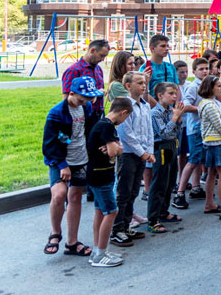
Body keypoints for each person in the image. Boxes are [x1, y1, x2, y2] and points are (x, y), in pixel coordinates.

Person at [42, 76, 102, 257]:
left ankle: (72, 242)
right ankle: (55, 232)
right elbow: (49, 145)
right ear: (71, 93)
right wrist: (62, 165)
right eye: (82, 99)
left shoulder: (87, 107)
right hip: (60, 160)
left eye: (89, 99)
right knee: (59, 194)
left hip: (81, 159)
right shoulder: (57, 113)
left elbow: (90, 131)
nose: (85, 102)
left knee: (75, 197)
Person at [85, 96, 133, 267]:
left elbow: (114, 148)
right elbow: (115, 151)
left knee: (100, 211)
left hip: (97, 174)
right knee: (111, 212)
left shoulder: (102, 124)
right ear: (123, 112)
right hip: (101, 175)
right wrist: (116, 148)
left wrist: (115, 147)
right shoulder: (107, 127)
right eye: (126, 117)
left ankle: (97, 250)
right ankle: (100, 254)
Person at [111, 71, 154, 247]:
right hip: (129, 154)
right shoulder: (125, 105)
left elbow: (149, 130)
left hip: (142, 154)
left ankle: (126, 224)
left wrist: (149, 151)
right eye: (139, 83)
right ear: (128, 86)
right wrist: (141, 152)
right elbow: (125, 133)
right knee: (123, 192)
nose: (143, 86)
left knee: (134, 191)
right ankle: (117, 229)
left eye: (144, 82)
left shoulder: (145, 105)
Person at [196, 76, 221, 223]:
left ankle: (209, 204)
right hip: (214, 142)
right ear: (210, 88)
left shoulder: (212, 103)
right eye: (218, 86)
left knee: (212, 173)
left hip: (213, 142)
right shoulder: (209, 105)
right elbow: (219, 125)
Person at [171, 57, 209, 209]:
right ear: (195, 72)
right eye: (201, 69)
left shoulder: (208, 84)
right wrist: (202, 108)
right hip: (195, 128)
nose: (205, 71)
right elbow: (185, 106)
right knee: (192, 159)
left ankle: (196, 187)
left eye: (206, 68)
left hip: (205, 128)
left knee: (198, 159)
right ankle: (180, 193)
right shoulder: (193, 87)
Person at [147, 82, 184, 233]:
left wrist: (178, 119)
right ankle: (153, 218)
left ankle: (163, 212)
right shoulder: (155, 113)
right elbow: (164, 133)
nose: (174, 96)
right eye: (170, 93)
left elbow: (176, 131)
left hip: (172, 146)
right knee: (159, 184)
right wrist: (175, 118)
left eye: (175, 93)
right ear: (160, 95)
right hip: (161, 148)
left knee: (170, 182)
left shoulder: (170, 111)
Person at [61, 39, 109, 123]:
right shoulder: (74, 70)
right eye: (101, 55)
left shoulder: (98, 69)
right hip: (82, 117)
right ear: (92, 50)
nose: (103, 59)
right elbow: (67, 98)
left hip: (99, 114)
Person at [143, 34, 178, 105]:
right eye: (163, 46)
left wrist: (176, 104)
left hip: (171, 108)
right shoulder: (146, 68)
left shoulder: (170, 67)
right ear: (152, 48)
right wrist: (160, 108)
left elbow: (177, 87)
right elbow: (144, 91)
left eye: (167, 46)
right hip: (154, 107)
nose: (167, 49)